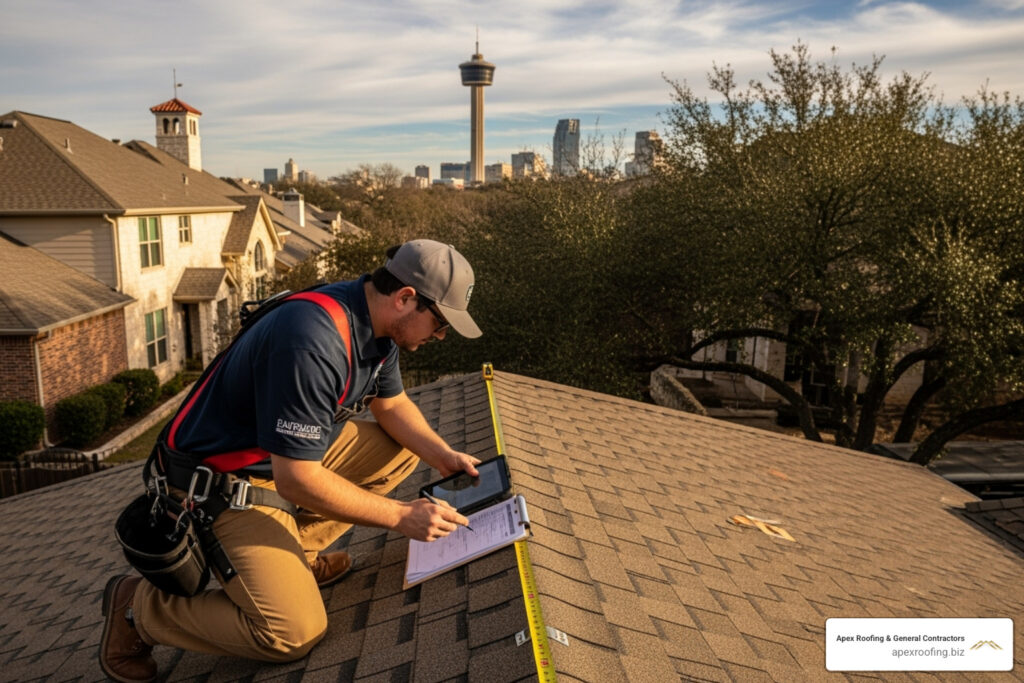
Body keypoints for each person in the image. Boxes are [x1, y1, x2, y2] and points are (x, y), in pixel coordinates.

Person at [99, 240, 483, 682]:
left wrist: (444, 456)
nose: (439, 336)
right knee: (292, 633)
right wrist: (401, 516)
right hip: (219, 483)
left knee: (398, 453)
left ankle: (295, 557)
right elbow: (297, 480)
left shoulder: (376, 323)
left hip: (273, 461)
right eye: (438, 323)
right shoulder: (312, 340)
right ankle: (139, 610)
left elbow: (392, 408)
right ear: (405, 298)